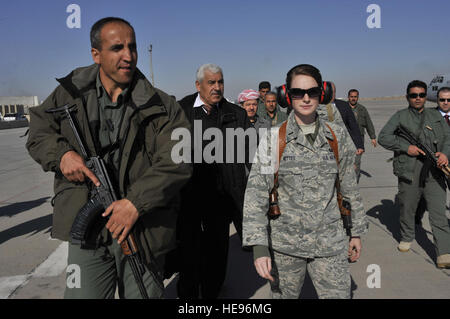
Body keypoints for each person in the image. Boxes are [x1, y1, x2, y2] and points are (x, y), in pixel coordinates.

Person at [26, 17, 192, 298]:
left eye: (132, 47)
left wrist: (134, 203)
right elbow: (39, 129)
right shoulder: (69, 93)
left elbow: (179, 159)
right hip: (89, 233)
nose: (128, 56)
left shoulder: (162, 105)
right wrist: (62, 154)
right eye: (117, 48)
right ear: (96, 54)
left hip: (143, 231)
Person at [243, 64, 368, 299]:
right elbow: (256, 193)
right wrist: (259, 247)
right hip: (286, 247)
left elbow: (349, 186)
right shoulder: (273, 139)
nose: (306, 98)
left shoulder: (337, 135)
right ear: (287, 96)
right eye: (298, 92)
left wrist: (356, 232)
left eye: (312, 91)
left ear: (322, 93)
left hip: (330, 243)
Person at [177, 64, 251, 298]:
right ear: (198, 85)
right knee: (188, 251)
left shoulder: (236, 114)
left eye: (220, 82)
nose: (217, 87)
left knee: (218, 251)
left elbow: (254, 155)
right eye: (211, 82)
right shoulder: (181, 111)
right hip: (188, 198)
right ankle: (188, 295)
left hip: (222, 199)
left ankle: (211, 293)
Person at [378, 80, 450, 268]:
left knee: (438, 212)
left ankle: (444, 252)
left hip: (435, 171)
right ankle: (407, 236)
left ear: (426, 96)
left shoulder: (436, 116)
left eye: (421, 95)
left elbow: (448, 138)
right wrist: (405, 147)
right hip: (409, 169)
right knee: (407, 207)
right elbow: (383, 137)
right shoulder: (400, 116)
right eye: (413, 95)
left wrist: (445, 154)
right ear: (407, 97)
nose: (418, 98)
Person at [415, 86, 450, 225]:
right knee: (426, 193)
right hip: (433, 162)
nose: (446, 102)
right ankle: (416, 216)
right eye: (442, 99)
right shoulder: (426, 115)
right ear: (437, 100)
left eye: (449, 99)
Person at [348, 89, 377, 182]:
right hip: (346, 140)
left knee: (357, 161)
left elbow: (368, 123)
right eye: (351, 97)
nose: (353, 98)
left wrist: (372, 137)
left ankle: (355, 182)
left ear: (357, 97)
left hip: (359, 140)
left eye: (355, 97)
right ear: (348, 97)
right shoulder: (343, 108)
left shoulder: (362, 109)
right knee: (346, 162)